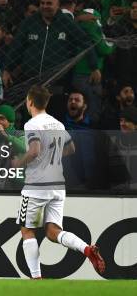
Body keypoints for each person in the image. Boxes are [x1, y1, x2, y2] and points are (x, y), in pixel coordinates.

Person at [13, 85, 105, 279]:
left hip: (37, 186)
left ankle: (37, 278)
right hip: (57, 185)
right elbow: (71, 148)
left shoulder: (32, 124)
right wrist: (51, 158)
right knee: (53, 232)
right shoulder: (58, 124)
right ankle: (87, 249)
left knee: (27, 230)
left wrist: (18, 163)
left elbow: (35, 150)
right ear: (45, 102)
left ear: (29, 102)